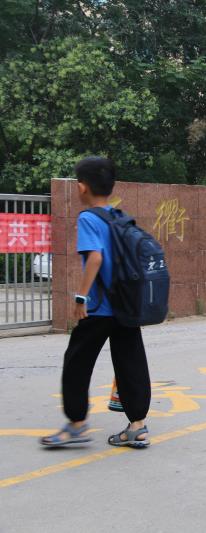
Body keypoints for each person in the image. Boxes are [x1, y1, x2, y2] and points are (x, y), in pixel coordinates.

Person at [40, 156, 152, 449]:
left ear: (82, 187)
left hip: (101, 307)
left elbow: (95, 258)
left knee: (77, 361)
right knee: (131, 362)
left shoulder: (89, 218)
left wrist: (81, 297)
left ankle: (76, 424)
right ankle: (137, 426)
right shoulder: (119, 216)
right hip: (126, 304)